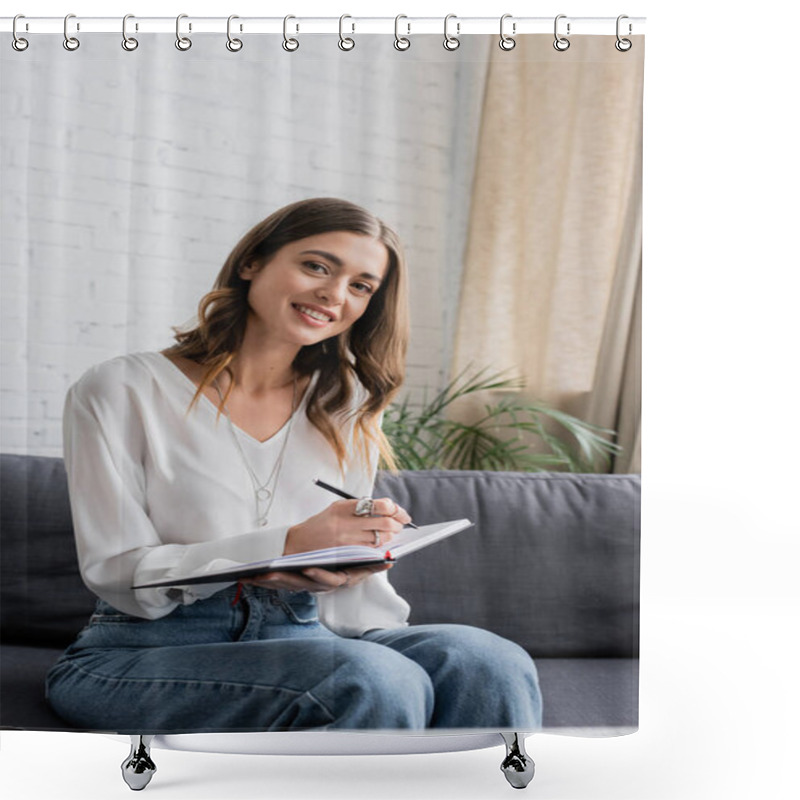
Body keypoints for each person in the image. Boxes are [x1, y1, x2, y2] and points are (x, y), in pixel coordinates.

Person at [45, 197, 542, 733]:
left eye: (361, 285)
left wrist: (357, 561)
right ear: (252, 262)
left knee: (489, 663)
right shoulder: (121, 389)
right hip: (145, 648)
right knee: (369, 678)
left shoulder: (341, 407)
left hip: (304, 635)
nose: (334, 294)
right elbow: (119, 573)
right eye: (316, 266)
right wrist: (281, 546)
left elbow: (351, 610)